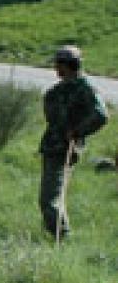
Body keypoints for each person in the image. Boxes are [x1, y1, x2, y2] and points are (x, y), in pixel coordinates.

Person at [39, 45, 108, 238]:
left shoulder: (85, 88)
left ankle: (63, 238)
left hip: (65, 147)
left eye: (58, 64)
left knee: (49, 200)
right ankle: (58, 233)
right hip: (52, 146)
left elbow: (101, 115)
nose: (55, 68)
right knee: (51, 197)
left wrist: (78, 131)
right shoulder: (59, 88)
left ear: (68, 65)